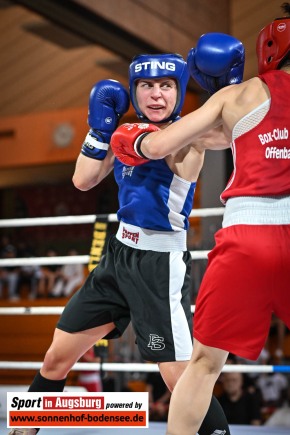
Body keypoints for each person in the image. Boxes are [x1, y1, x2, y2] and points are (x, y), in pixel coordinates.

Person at [8, 34, 245, 435]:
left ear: (179, 89)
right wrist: (101, 129)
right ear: (134, 91)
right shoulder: (125, 133)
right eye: (146, 86)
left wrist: (228, 94)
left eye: (166, 86)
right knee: (55, 359)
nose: (156, 95)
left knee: (180, 381)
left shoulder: (191, 134)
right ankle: (22, 431)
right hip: (117, 259)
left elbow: (223, 133)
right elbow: (83, 180)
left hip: (158, 267)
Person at [110, 3, 290, 434]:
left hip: (248, 234)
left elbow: (157, 147)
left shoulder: (240, 95)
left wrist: (124, 136)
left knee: (205, 363)